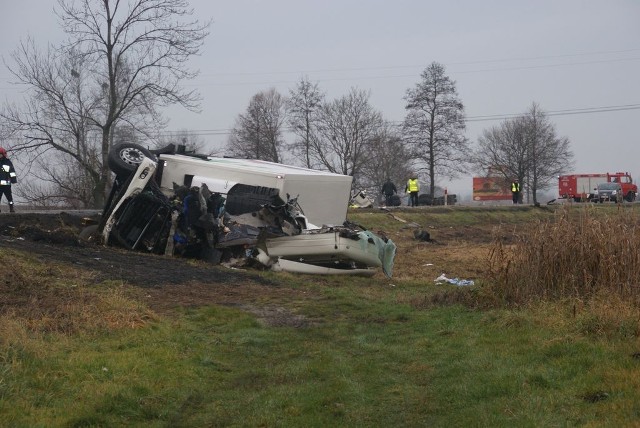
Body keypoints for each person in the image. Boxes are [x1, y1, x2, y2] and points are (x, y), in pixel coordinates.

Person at [0, 147, 17, 213]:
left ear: (3, 154)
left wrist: (13, 180)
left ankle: (11, 208)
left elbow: (12, 172)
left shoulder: (8, 162)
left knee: (9, 197)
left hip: (6, 183)